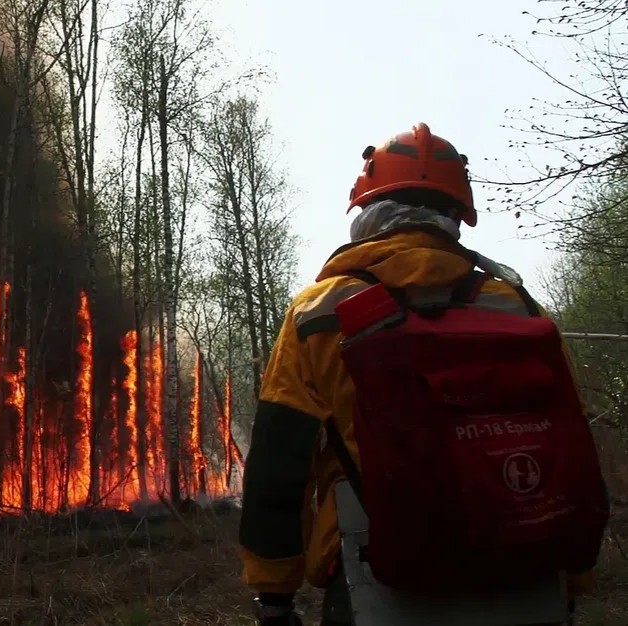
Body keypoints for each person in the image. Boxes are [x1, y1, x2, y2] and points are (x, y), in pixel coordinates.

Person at [238, 122, 605, 626]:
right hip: (527, 570)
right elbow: (569, 443)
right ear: (456, 215)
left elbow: (280, 465)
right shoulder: (515, 307)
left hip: (375, 581)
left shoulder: (319, 310)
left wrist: (273, 594)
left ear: (367, 212)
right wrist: (574, 575)